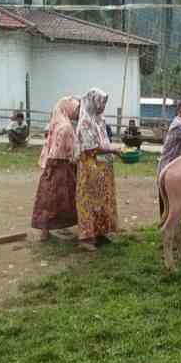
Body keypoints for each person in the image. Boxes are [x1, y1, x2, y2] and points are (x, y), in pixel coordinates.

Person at [75, 88, 122, 250]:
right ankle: (86, 238)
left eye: (104, 104)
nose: (103, 107)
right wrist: (114, 150)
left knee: (102, 201)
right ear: (93, 102)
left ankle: (101, 233)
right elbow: (90, 148)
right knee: (89, 201)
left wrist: (113, 151)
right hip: (90, 167)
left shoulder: (100, 120)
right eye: (101, 103)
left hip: (103, 167)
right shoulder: (85, 122)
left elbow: (104, 142)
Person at [31, 96, 81, 241]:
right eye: (76, 109)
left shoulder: (56, 123)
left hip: (52, 165)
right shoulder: (65, 126)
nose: (78, 112)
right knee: (59, 199)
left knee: (48, 199)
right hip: (60, 165)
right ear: (68, 108)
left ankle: (47, 230)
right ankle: (48, 230)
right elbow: (61, 150)